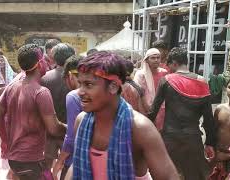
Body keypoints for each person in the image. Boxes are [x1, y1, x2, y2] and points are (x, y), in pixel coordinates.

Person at [73, 51, 178, 180]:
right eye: (80, 84)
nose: (80, 92)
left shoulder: (140, 129)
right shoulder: (81, 121)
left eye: (88, 85)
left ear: (113, 87)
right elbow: (77, 164)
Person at [0, 44, 66, 180]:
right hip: (31, 158)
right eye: (43, 59)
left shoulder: (12, 87)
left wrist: (7, 140)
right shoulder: (41, 92)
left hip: (14, 157)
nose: (45, 62)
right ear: (39, 64)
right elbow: (53, 128)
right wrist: (71, 128)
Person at [148, 47, 217, 179]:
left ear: (174, 63)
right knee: (193, 176)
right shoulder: (202, 81)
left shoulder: (166, 80)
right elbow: (208, 118)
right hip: (193, 139)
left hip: (170, 139)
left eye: (170, 66)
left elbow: (153, 112)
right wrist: (210, 143)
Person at [41, 43, 75, 171]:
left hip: (49, 129)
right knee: (68, 165)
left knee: (46, 167)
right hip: (70, 130)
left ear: (54, 58)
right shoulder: (76, 79)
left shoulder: (45, 78)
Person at [52, 55, 83, 180]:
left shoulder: (74, 96)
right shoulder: (100, 92)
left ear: (70, 75)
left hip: (76, 161)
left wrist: (60, 161)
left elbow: (71, 136)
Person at [209, 75, 230, 179]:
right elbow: (212, 133)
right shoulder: (220, 109)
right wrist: (216, 154)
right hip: (219, 155)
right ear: (226, 89)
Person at [134, 48, 167, 130]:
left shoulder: (164, 72)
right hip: (145, 110)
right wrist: (148, 110)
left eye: (158, 57)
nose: (156, 60)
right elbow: (138, 93)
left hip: (162, 110)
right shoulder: (140, 74)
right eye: (153, 58)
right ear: (147, 60)